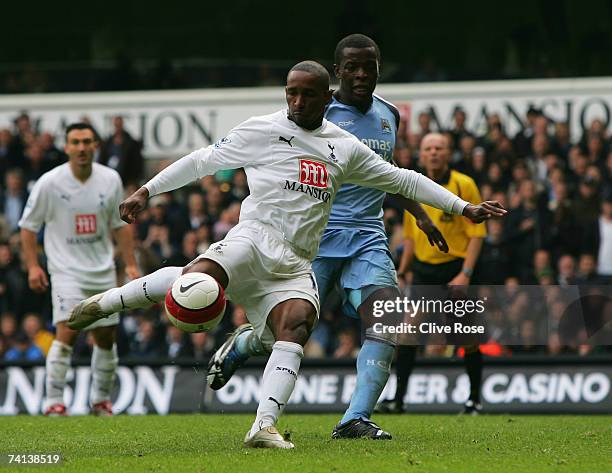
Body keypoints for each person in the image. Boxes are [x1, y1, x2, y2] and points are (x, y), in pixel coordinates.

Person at [68, 61, 505, 448]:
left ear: (324, 97)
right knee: (195, 282)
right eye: (291, 92)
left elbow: (403, 180)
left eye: (307, 94)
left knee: (296, 325)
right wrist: (147, 190)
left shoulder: (344, 146)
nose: (297, 101)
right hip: (251, 241)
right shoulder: (262, 129)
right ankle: (106, 302)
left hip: (296, 263)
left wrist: (462, 207)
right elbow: (202, 160)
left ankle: (264, 425)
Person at [206, 34, 450, 441]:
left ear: (378, 69)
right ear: (337, 72)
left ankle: (355, 418)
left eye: (367, 66)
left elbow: (385, 172)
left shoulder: (389, 115)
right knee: (286, 329)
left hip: (367, 237)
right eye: (351, 67)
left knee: (386, 318)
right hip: (312, 239)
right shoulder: (315, 109)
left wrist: (420, 215)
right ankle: (245, 345)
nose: (359, 74)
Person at [19, 123, 139, 416]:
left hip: (102, 270)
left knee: (106, 336)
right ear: (67, 147)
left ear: (96, 145)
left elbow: (119, 225)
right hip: (66, 271)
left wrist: (132, 264)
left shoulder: (110, 179)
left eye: (87, 141)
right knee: (67, 332)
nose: (82, 148)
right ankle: (54, 402)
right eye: (76, 142)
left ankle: (100, 401)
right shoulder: (50, 182)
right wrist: (34, 266)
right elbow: (28, 227)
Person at [379, 132, 488, 415]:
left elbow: (477, 234)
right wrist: (404, 271)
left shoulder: (464, 185)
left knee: (464, 335)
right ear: (422, 154)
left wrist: (465, 273)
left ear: (449, 152)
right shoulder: (412, 183)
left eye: (439, 148)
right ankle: (398, 400)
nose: (434, 152)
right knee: (408, 334)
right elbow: (413, 237)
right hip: (424, 272)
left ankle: (474, 399)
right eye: (429, 148)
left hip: (454, 269)